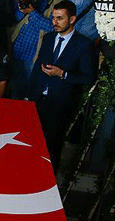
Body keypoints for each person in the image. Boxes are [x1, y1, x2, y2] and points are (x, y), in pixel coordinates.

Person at [28, 0, 95, 169]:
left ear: (72, 19)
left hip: (60, 105)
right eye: (53, 18)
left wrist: (63, 74)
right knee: (30, 145)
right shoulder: (49, 38)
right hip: (37, 101)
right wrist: (29, 96)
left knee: (51, 150)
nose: (54, 22)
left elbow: (88, 78)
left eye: (59, 18)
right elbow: (37, 68)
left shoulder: (84, 45)